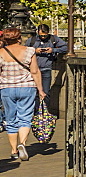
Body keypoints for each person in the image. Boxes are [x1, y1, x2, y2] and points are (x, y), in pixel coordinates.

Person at [1, 25, 46, 161]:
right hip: (27, 87)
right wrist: (41, 90)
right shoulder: (29, 51)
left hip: (6, 88)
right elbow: (35, 71)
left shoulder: (1, 53)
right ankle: (22, 144)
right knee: (25, 117)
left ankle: (14, 151)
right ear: (19, 38)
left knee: (10, 119)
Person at [27, 23, 67, 102]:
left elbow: (66, 47)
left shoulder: (53, 39)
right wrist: (34, 51)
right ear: (38, 32)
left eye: (45, 36)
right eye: (41, 35)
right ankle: (35, 111)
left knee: (46, 92)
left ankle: (45, 111)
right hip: (34, 70)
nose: (43, 37)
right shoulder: (32, 40)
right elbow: (24, 50)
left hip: (46, 68)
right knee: (33, 92)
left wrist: (53, 50)